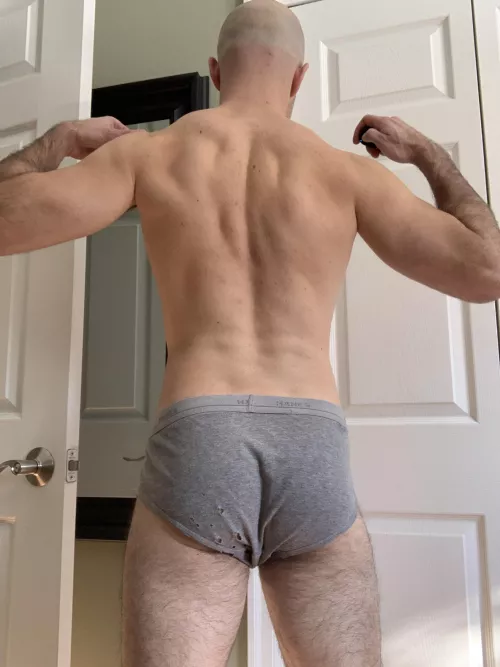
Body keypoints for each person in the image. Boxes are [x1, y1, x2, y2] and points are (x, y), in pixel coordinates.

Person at [1, 1, 499, 664]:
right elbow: (487, 268)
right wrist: (432, 157)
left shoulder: (150, 155)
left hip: (199, 436)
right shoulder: (348, 172)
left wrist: (58, 139)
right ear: (299, 78)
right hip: (311, 443)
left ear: (215, 71)